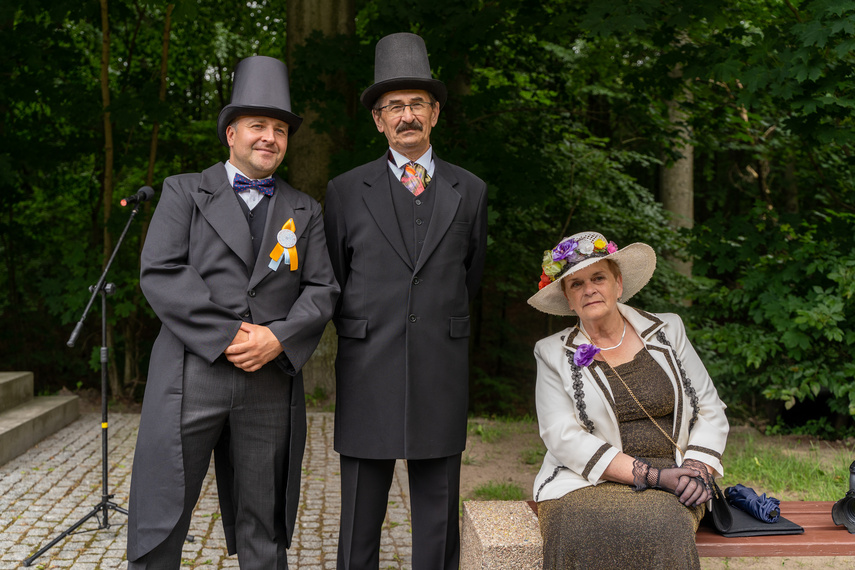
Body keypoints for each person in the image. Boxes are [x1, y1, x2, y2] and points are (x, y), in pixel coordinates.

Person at [126, 55, 339, 569]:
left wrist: (277, 339)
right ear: (231, 133)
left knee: (263, 522)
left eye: (280, 129)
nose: (269, 137)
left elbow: (322, 288)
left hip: (268, 380)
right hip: (189, 374)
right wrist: (228, 335)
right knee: (163, 510)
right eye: (258, 126)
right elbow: (161, 271)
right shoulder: (183, 191)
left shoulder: (305, 209)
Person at [324, 32, 488, 570]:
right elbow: (336, 276)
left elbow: (472, 275)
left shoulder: (472, 190)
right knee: (358, 522)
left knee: (439, 518)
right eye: (394, 106)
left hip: (440, 366)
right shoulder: (345, 191)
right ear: (378, 120)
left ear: (435, 113)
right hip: (368, 364)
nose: (407, 115)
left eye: (417, 103)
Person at [527, 231, 729, 569]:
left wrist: (695, 470)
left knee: (664, 526)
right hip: (583, 483)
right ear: (568, 298)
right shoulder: (551, 352)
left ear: (617, 284)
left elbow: (710, 409)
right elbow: (561, 435)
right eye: (576, 284)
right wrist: (650, 475)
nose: (589, 289)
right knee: (579, 530)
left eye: (598, 277)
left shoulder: (669, 329)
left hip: (676, 480)